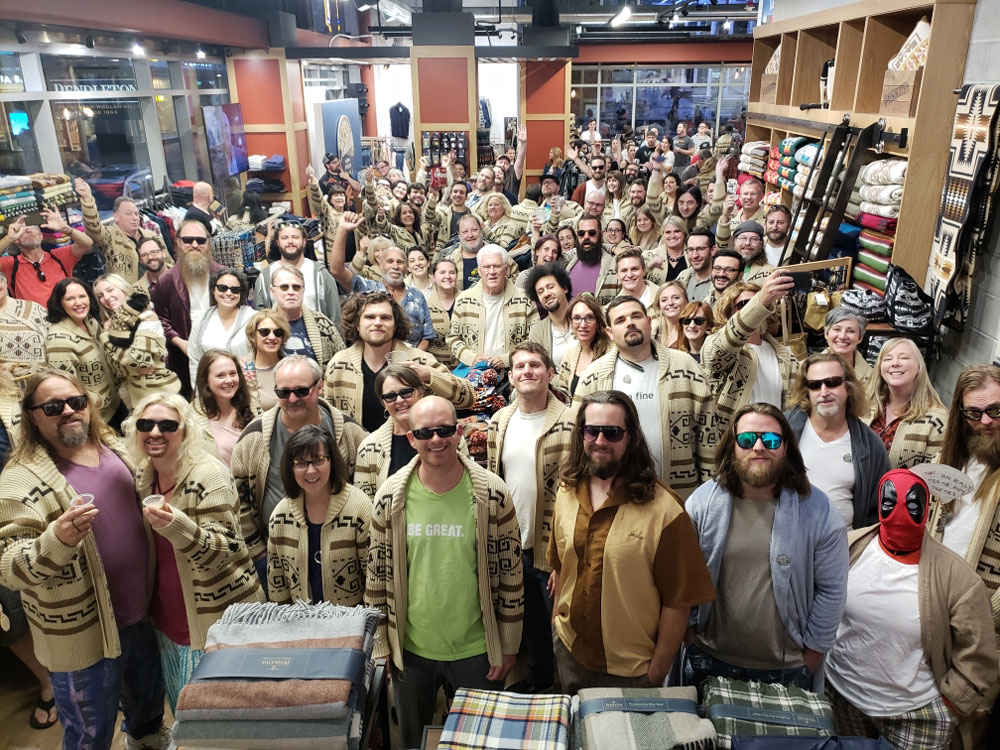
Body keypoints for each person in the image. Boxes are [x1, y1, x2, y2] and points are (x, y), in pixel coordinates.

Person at [0, 369, 170, 750]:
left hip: (140, 615)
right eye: (53, 406)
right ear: (31, 415)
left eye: (76, 402)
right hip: (82, 638)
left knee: (146, 713)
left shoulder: (112, 444)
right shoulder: (18, 479)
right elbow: (9, 568)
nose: (68, 412)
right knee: (88, 736)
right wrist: (57, 539)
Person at [365, 396, 524, 750]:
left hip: (478, 649)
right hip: (412, 650)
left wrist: (508, 644)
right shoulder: (390, 497)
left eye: (444, 430)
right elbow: (377, 575)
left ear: (458, 432)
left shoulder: (493, 494)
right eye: (425, 432)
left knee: (482, 742)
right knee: (412, 740)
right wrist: (380, 644)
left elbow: (511, 574)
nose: (436, 440)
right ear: (411, 438)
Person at [548, 390, 715, 692]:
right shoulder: (566, 492)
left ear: (631, 438)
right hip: (570, 655)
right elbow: (561, 567)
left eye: (612, 433)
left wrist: (656, 673)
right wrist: (556, 625)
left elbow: (678, 603)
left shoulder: (665, 511)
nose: (600, 441)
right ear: (580, 434)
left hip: (631, 673)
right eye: (592, 431)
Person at [826, 468, 998, 750]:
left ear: (926, 508)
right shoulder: (847, 547)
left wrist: (951, 703)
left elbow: (978, 653)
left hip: (915, 715)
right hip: (841, 699)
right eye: (890, 502)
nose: (900, 511)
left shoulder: (958, 578)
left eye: (912, 503)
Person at [685, 403, 848, 690]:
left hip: (788, 668)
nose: (759, 447)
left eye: (771, 440)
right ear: (731, 447)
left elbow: (832, 587)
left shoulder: (818, 510)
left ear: (787, 447)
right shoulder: (702, 503)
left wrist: (813, 653)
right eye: (747, 440)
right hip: (709, 659)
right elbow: (683, 579)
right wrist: (689, 633)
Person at [127, 393, 262, 710]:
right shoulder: (145, 478)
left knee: (229, 717)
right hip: (168, 620)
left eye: (167, 425)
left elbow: (224, 550)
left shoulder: (208, 474)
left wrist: (176, 525)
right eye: (146, 424)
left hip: (218, 619)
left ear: (185, 430)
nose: (155, 432)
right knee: (185, 713)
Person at [486, 343, 574, 693]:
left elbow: (577, 494)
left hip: (551, 548)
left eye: (535, 365)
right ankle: (539, 686)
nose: (527, 371)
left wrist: (563, 557)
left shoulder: (570, 420)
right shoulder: (500, 420)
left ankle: (567, 692)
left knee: (562, 629)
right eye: (519, 366)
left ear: (550, 373)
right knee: (532, 625)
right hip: (513, 544)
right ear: (510, 377)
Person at [231, 355, 367, 581]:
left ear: (320, 387)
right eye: (283, 392)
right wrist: (260, 555)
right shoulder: (253, 438)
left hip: (344, 560)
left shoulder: (351, 434)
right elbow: (239, 502)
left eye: (301, 391)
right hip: (277, 559)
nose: (292, 399)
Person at [575, 295, 715, 500]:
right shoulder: (594, 377)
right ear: (609, 332)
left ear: (649, 322)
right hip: (613, 495)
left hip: (679, 494)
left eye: (636, 316)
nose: (630, 322)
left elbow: (708, 435)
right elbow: (578, 440)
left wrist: (710, 493)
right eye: (620, 320)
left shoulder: (685, 367)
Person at [324, 292, 473, 433]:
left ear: (395, 325)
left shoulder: (419, 360)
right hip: (359, 456)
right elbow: (329, 419)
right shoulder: (339, 365)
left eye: (385, 318)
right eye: (370, 317)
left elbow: (467, 397)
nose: (377, 323)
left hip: (415, 451)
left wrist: (430, 375)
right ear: (357, 324)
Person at [0, 370, 57, 731]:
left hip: (29, 506)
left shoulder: (14, 395)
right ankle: (48, 681)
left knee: (46, 592)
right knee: (8, 617)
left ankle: (74, 675)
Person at [266, 424, 371, 605]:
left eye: (318, 460)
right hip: (301, 627)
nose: (311, 470)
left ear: (332, 461)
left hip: (353, 626)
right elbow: (278, 590)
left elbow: (374, 580)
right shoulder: (280, 516)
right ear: (289, 467)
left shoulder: (359, 508)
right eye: (301, 463)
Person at [786, 353, 891, 530]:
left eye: (833, 382)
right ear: (807, 392)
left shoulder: (870, 445)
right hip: (787, 543)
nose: (824, 391)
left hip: (844, 548)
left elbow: (879, 509)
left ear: (848, 387)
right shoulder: (783, 431)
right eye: (815, 385)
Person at [702, 271, 799, 430]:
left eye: (755, 303)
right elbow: (724, 346)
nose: (752, 308)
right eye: (742, 304)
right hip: (734, 441)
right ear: (729, 312)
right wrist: (762, 299)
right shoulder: (715, 343)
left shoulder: (783, 354)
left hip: (773, 441)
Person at [150, 219, 225, 397]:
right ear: (178, 242)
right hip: (183, 358)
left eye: (200, 240)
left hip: (222, 353)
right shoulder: (167, 280)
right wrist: (180, 342)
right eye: (188, 240)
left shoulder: (224, 275)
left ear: (208, 243)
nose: (194, 245)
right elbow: (161, 319)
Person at [45, 277, 126, 429]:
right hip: (95, 418)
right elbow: (63, 389)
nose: (78, 303)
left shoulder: (91, 322)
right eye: (70, 298)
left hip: (116, 405)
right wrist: (97, 400)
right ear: (59, 303)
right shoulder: (58, 341)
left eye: (82, 296)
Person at [93, 274, 180, 406]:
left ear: (123, 288)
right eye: (100, 295)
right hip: (135, 395)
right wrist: (133, 370)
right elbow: (115, 368)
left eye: (110, 290)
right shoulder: (112, 323)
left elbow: (140, 360)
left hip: (160, 390)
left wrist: (105, 337)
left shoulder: (147, 316)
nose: (106, 297)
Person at [447, 245, 539, 368]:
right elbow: (453, 338)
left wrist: (508, 359)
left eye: (497, 266)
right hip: (474, 373)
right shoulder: (464, 300)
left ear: (506, 269)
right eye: (486, 267)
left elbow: (535, 338)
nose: (492, 272)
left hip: (514, 372)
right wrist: (471, 357)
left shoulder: (525, 299)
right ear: (479, 271)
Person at [863, 338, 948, 470]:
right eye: (887, 359)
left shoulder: (938, 420)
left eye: (904, 358)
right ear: (880, 369)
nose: (895, 363)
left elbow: (936, 476)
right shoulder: (864, 407)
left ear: (919, 366)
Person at [353, 366, 435, 499]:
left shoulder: (447, 434)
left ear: (421, 392)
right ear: (383, 403)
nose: (399, 400)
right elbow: (365, 504)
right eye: (390, 396)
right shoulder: (369, 448)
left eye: (406, 392)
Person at [252, 219, 343, 327]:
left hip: (316, 341)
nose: (290, 241)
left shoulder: (321, 275)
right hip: (279, 341)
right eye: (285, 238)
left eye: (295, 237)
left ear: (304, 241)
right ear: (277, 242)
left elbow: (335, 319)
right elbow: (260, 320)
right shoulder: (265, 277)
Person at [0, 210, 94, 305]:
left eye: (32, 227)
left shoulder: (59, 256)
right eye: (22, 229)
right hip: (33, 318)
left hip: (65, 316)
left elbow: (87, 244)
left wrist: (66, 229)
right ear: (16, 240)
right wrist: (9, 238)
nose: (28, 230)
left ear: (41, 236)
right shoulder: (10, 264)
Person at [76, 178, 158, 283]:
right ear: (116, 216)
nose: (135, 218)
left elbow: (169, 263)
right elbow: (94, 230)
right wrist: (88, 200)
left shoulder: (152, 236)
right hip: (128, 295)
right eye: (129, 214)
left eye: (136, 214)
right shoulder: (110, 237)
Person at [186, 267, 255, 385]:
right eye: (222, 288)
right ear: (213, 290)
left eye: (235, 290)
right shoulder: (202, 321)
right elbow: (194, 359)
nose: (228, 293)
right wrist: (199, 391)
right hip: (212, 390)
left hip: (246, 388)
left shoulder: (253, 318)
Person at [268, 265, 345, 371]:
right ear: (272, 291)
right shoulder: (260, 326)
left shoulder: (323, 325)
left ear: (303, 290)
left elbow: (342, 362)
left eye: (296, 287)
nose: (291, 292)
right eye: (284, 287)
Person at [193, 349, 259, 466]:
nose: (229, 380)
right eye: (220, 375)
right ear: (206, 380)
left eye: (233, 373)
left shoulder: (253, 407)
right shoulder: (192, 416)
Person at [558, 295, 610, 399]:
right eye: (577, 318)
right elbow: (563, 393)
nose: (583, 324)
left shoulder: (611, 353)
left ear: (598, 321)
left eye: (589, 318)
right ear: (571, 322)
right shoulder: (569, 357)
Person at [525, 263, 574, 368]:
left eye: (550, 287)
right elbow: (542, 371)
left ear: (564, 288)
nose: (546, 294)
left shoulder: (585, 315)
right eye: (540, 292)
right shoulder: (537, 332)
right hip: (559, 384)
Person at [0, 269, 48, 377]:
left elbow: (54, 335)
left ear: (5, 282)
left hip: (42, 380)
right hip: (5, 387)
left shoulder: (33, 307)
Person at [239, 310, 289, 412]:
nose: (272, 337)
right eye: (264, 332)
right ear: (253, 336)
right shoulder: (241, 368)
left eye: (277, 332)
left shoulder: (291, 367)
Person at [566, 213, 621, 303]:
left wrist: (612, 247)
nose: (586, 237)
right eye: (581, 233)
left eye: (592, 233)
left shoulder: (616, 266)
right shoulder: (568, 261)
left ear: (601, 234)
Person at [425, 258, 459, 369]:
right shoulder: (424, 304)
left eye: (452, 272)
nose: (448, 276)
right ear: (433, 277)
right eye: (442, 272)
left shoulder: (468, 300)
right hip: (435, 368)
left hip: (466, 367)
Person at [716, 176, 766, 252]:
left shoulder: (768, 220)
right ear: (739, 197)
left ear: (761, 197)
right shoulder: (730, 218)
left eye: (753, 194)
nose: (748, 197)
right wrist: (725, 215)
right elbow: (721, 247)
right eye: (745, 194)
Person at [824, 307, 873, 385]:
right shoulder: (805, 369)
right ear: (826, 334)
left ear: (860, 338)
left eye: (851, 331)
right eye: (837, 329)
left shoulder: (873, 377)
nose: (842, 336)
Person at [675, 228, 715, 302]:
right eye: (691, 249)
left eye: (700, 249)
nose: (695, 255)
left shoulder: (720, 280)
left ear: (713, 250)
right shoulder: (683, 276)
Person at [650, 280, 688, 349]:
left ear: (685, 301)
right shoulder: (653, 334)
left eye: (676, 298)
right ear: (659, 305)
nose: (670, 303)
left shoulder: (691, 332)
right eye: (664, 300)